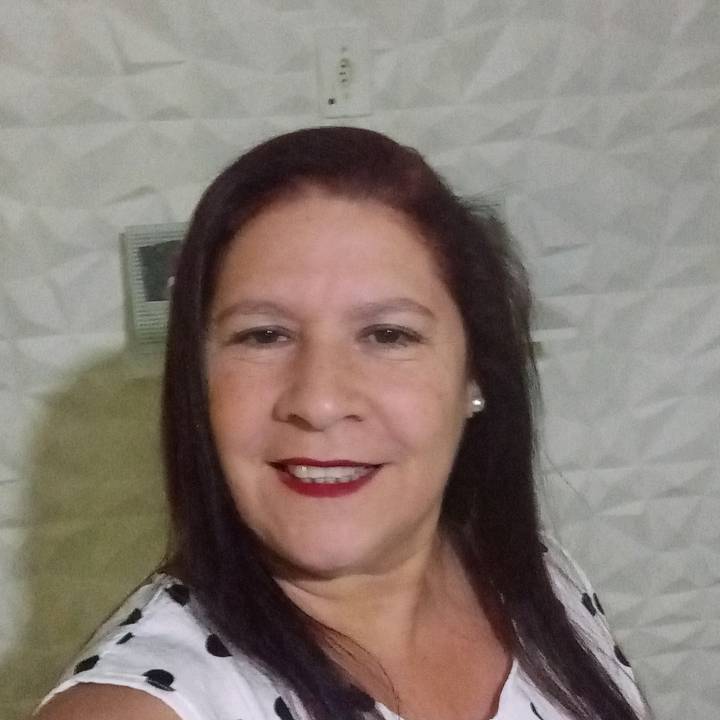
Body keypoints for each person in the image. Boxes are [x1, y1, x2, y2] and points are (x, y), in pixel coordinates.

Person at [34, 127, 650, 720]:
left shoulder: (536, 577)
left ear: (475, 375)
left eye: (388, 335)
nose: (320, 401)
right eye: (264, 335)